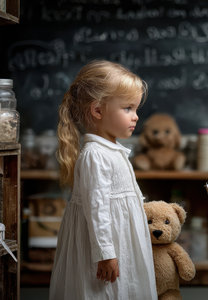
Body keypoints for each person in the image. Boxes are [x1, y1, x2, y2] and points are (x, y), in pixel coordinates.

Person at [49, 60, 158, 300]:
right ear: (98, 111)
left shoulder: (112, 149)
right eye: (128, 108)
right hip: (106, 246)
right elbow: (97, 208)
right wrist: (106, 254)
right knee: (105, 292)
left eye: (136, 109)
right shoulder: (95, 156)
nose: (136, 117)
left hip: (122, 240)